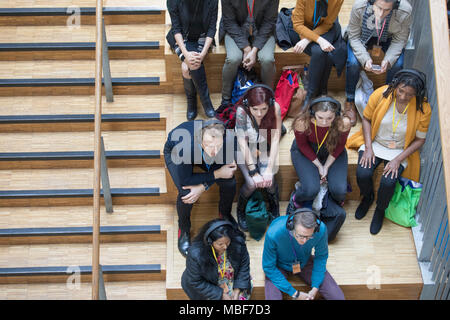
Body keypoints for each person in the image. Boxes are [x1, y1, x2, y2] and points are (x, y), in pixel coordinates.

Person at [346, 69, 431, 235]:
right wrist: (369, 148)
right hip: (375, 142)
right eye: (401, 91)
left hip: (399, 149)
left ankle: (380, 209)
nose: (403, 97)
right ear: (395, 85)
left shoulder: (423, 108)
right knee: (363, 173)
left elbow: (420, 139)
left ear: (417, 94)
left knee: (389, 182)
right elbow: (366, 119)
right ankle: (368, 197)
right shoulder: (381, 94)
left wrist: (397, 160)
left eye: (410, 94)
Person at [164, 119, 238, 256]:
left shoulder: (228, 139)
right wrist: (217, 173)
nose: (214, 151)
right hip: (175, 152)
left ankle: (224, 213)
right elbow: (185, 179)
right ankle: (184, 228)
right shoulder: (186, 147)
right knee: (186, 192)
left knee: (230, 181)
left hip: (200, 154)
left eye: (218, 146)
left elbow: (229, 167)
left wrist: (203, 187)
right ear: (200, 139)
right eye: (209, 145)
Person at [289, 97, 350, 242]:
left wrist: (327, 166)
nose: (324, 122)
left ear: (336, 114)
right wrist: (319, 166)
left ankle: (327, 200)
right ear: (312, 113)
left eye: (329, 118)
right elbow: (303, 146)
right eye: (320, 118)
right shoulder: (302, 122)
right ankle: (296, 199)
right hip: (307, 150)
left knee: (340, 191)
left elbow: (340, 146)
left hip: (332, 151)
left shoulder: (343, 123)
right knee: (311, 189)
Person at [345, 0, 412, 125]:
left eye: (387, 10)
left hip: (389, 37)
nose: (381, 14)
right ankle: (350, 100)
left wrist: (388, 60)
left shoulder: (404, 11)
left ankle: (388, 98)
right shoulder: (359, 6)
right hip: (362, 36)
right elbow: (353, 36)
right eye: (379, 8)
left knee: (397, 65)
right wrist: (365, 59)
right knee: (353, 63)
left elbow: (400, 39)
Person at [263, 208, 345, 300]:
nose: (304, 241)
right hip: (278, 265)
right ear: (291, 226)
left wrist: (315, 287)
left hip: (304, 262)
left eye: (309, 237)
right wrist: (294, 293)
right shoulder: (274, 233)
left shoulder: (320, 229)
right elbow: (268, 267)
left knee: (338, 297)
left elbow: (321, 256)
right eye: (300, 236)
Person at [234, 84, 282, 231]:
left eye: (263, 109)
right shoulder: (241, 111)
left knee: (271, 180)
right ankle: (240, 209)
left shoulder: (275, 108)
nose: (259, 113)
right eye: (255, 109)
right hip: (245, 148)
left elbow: (275, 139)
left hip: (264, 146)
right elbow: (242, 142)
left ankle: (274, 205)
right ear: (249, 105)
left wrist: (268, 169)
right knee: (251, 183)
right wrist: (253, 171)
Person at [291, 0, 350, 118]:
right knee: (322, 52)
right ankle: (321, 91)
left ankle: (311, 95)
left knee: (320, 51)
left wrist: (309, 40)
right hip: (304, 29)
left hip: (327, 29)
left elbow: (328, 24)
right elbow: (297, 24)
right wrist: (318, 40)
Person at [218, 0, 279, 107]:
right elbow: (229, 22)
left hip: (262, 30)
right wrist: (246, 48)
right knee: (233, 58)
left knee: (267, 59)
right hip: (236, 29)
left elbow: (269, 22)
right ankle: (226, 99)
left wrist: (254, 50)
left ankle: (268, 96)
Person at [166, 0, 218, 120]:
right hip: (182, 37)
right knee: (190, 65)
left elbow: (211, 28)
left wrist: (203, 54)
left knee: (186, 68)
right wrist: (185, 54)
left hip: (202, 37)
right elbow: (176, 28)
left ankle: (192, 102)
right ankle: (205, 103)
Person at [181, 219, 252, 300]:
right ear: (209, 242)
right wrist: (220, 294)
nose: (225, 247)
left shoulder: (238, 243)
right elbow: (195, 281)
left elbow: (244, 266)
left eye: (227, 242)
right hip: (208, 286)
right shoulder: (196, 254)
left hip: (232, 279)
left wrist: (237, 289)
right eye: (220, 244)